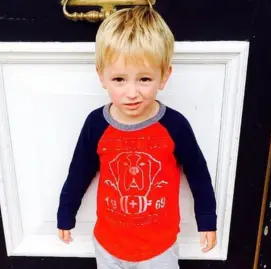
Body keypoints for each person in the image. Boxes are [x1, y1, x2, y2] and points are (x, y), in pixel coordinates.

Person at [57, 6, 217, 269]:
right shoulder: (96, 125)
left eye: (144, 79)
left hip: (159, 249)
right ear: (102, 77)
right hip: (109, 246)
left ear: (164, 76)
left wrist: (207, 219)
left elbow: (199, 175)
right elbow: (79, 173)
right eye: (119, 79)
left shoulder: (174, 126)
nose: (132, 93)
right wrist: (66, 212)